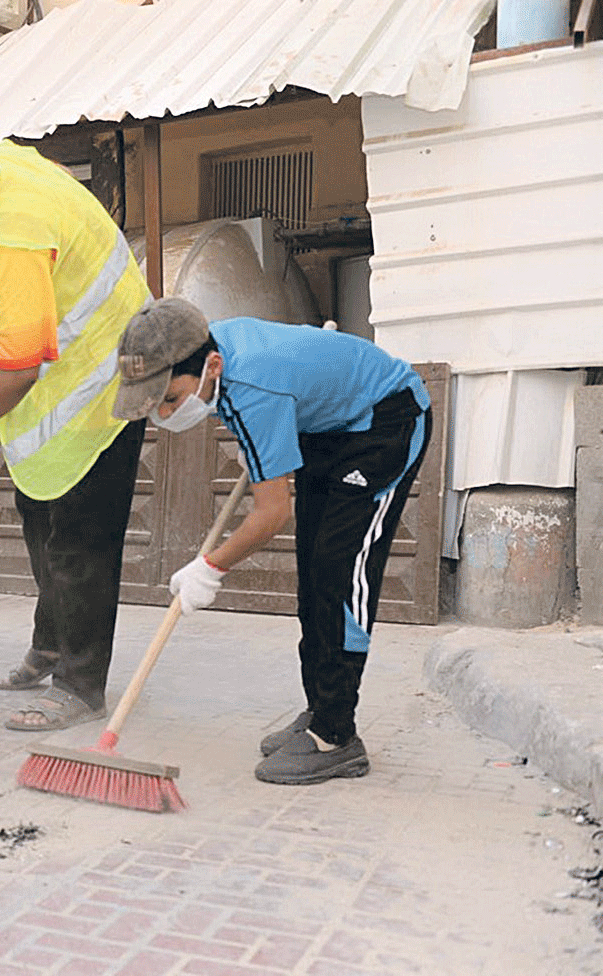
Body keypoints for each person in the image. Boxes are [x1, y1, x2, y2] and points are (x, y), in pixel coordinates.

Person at [111, 298, 432, 785]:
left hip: (386, 421)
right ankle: (321, 708)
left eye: (170, 399)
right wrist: (262, 451)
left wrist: (210, 568)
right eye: (152, 402)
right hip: (328, 426)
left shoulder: (249, 383)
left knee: (339, 572)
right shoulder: (205, 348)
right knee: (313, 568)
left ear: (211, 367)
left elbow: (272, 514)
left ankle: (336, 736)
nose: (161, 412)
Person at [0, 118, 150, 731]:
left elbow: (17, 373)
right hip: (62, 375)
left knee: (80, 544)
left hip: (105, 382)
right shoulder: (1, 162)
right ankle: (49, 647)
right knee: (40, 520)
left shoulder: (14, 234)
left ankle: (79, 684)